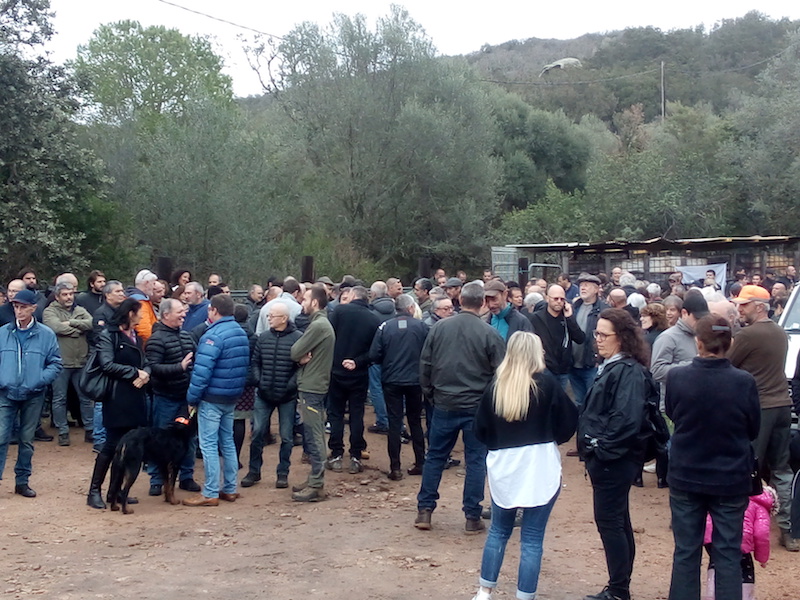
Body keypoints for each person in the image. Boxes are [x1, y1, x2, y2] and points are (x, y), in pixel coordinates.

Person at [471, 332, 578, 600]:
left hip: (505, 465)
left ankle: (484, 591)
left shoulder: (497, 385)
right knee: (532, 538)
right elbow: (568, 422)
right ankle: (524, 596)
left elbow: (479, 428)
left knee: (498, 530)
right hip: (539, 462)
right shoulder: (548, 383)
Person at [665, 315, 761, 600]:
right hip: (730, 477)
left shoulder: (677, 377)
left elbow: (672, 413)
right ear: (729, 344)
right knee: (728, 553)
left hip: (686, 474)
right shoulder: (744, 382)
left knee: (686, 551)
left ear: (699, 343)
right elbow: (753, 428)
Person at [415, 281, 505, 533]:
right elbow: (502, 373)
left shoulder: (440, 328)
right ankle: (472, 516)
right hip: (476, 406)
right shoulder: (489, 334)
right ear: (484, 303)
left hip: (444, 402)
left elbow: (425, 364)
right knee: (475, 461)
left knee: (435, 456)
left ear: (459, 301)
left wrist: (431, 394)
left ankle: (425, 510)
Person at [577, 308, 651, 600]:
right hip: (612, 458)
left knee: (611, 521)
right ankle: (619, 586)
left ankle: (619, 589)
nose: (598, 339)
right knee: (618, 520)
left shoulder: (627, 371)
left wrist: (601, 449)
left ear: (621, 337)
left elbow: (627, 419)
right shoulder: (613, 366)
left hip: (614, 460)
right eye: (596, 333)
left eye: (603, 334)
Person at [728, 285, 796, 551]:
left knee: (749, 467)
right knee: (782, 469)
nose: (739, 309)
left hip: (760, 407)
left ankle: (743, 528)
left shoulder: (747, 335)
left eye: (744, 305)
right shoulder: (781, 332)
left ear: (759, 306)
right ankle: (788, 530)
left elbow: (727, 364)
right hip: (782, 405)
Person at [183, 294, 250, 507]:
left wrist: (192, 398)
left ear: (213, 310)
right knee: (227, 441)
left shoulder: (212, 336)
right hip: (231, 396)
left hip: (212, 397)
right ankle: (230, 488)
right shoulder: (240, 332)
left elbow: (202, 371)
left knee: (209, 444)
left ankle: (210, 491)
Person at [86, 298, 150, 509]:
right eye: (139, 313)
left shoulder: (137, 338)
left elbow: (146, 362)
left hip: (136, 397)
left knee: (129, 447)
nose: (141, 316)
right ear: (130, 314)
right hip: (116, 398)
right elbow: (106, 364)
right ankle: (94, 491)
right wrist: (134, 372)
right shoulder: (109, 336)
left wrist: (146, 374)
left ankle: (116, 492)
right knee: (111, 445)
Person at [0, 289, 62, 498]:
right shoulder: (3, 333)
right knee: (1, 437)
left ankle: (22, 481)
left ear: (33, 308)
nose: (19, 311)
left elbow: (55, 363)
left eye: (23, 307)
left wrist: (39, 380)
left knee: (27, 440)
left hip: (33, 394)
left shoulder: (46, 334)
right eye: (16, 307)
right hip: (6, 392)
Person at [368, 294, 428, 480]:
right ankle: (420, 463)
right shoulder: (422, 327)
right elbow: (429, 352)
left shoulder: (385, 327)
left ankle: (395, 468)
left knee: (395, 423)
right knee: (415, 421)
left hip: (392, 380)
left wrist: (388, 361)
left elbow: (374, 354)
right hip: (415, 381)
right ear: (411, 308)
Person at [244, 301, 302, 489]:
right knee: (258, 433)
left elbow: (301, 367)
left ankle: (282, 473)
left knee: (286, 436)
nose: (268, 318)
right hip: (264, 393)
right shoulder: (264, 338)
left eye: (272, 316)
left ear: (284, 318)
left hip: (287, 396)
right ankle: (254, 471)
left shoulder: (298, 338)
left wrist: (290, 386)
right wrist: (259, 381)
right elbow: (255, 362)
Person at [144, 298, 199, 496]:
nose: (184, 314)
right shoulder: (156, 340)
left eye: (184, 311)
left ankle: (186, 477)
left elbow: (196, 360)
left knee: (189, 438)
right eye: (179, 312)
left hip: (186, 399)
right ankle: (157, 480)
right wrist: (179, 367)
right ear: (166, 315)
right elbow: (154, 368)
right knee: (159, 439)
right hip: (165, 398)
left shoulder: (186, 336)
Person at [326, 286, 381, 474]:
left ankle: (336, 453)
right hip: (359, 373)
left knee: (336, 413)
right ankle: (356, 455)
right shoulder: (374, 319)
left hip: (336, 371)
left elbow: (328, 337)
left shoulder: (339, 312)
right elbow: (375, 352)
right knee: (357, 414)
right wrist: (358, 362)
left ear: (354, 296)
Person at [291, 284, 335, 502]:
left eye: (305, 299)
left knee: (315, 435)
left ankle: (317, 484)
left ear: (315, 302)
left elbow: (295, 351)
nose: (302, 303)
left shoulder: (318, 326)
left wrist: (300, 358)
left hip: (312, 386)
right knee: (311, 433)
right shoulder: (319, 323)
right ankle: (313, 480)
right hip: (313, 384)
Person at [42, 282, 94, 446]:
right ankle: (63, 431)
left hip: (81, 361)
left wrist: (71, 323)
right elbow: (55, 328)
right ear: (57, 296)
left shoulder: (80, 309)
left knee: (85, 398)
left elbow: (91, 323)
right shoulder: (50, 311)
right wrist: (79, 326)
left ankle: (90, 429)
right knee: (59, 399)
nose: (69, 297)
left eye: (71, 294)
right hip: (61, 363)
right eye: (65, 294)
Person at [703, 486, 776, 600]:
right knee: (745, 567)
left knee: (716, 561)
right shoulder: (761, 507)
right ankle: (745, 596)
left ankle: (712, 593)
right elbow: (761, 534)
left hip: (713, 533)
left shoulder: (730, 495)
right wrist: (762, 558)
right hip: (740, 537)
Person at [529, 284, 585, 391]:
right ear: (547, 298)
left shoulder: (566, 318)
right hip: (544, 369)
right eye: (555, 299)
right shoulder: (536, 318)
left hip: (563, 369)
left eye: (562, 299)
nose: (559, 301)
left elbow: (580, 338)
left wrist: (570, 318)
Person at [569, 273, 608, 407]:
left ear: (597, 289)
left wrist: (600, 359)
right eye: (581, 285)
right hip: (573, 364)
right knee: (579, 402)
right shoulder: (572, 308)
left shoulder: (604, 310)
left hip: (592, 365)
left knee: (594, 402)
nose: (583, 288)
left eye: (587, 285)